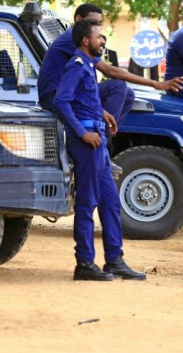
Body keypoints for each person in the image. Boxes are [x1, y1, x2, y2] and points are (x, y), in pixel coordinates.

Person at [52, 19, 146, 281]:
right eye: (99, 37)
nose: (103, 41)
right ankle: (84, 263)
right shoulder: (77, 66)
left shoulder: (90, 67)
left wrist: (102, 114)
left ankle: (115, 260)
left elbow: (85, 101)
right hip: (87, 144)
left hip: (98, 143)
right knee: (87, 202)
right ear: (86, 41)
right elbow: (61, 101)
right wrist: (82, 132)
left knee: (111, 202)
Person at [39, 3, 183, 128]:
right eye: (92, 22)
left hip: (71, 94)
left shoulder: (81, 39)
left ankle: (106, 135)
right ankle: (99, 134)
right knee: (118, 86)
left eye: (99, 24)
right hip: (56, 98)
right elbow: (108, 70)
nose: (96, 27)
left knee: (129, 94)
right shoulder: (73, 38)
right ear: (78, 20)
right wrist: (155, 84)